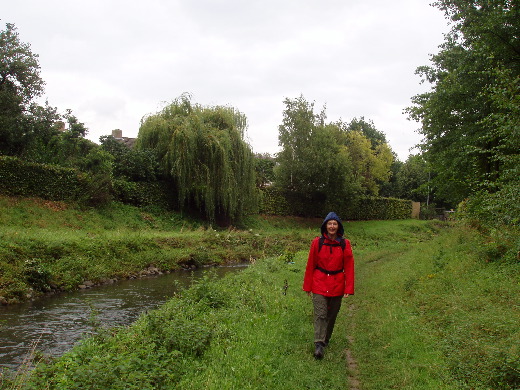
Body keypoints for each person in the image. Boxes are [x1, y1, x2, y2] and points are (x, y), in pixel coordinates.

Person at [303, 211, 355, 359]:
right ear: (325, 226)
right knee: (321, 314)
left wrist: (348, 288)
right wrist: (308, 286)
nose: (332, 226)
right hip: (319, 282)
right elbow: (310, 264)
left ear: (338, 227)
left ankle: (325, 339)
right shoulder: (316, 243)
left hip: (337, 284)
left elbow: (349, 267)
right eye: (329, 223)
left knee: (331, 315)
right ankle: (318, 344)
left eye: (334, 224)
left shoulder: (345, 244)